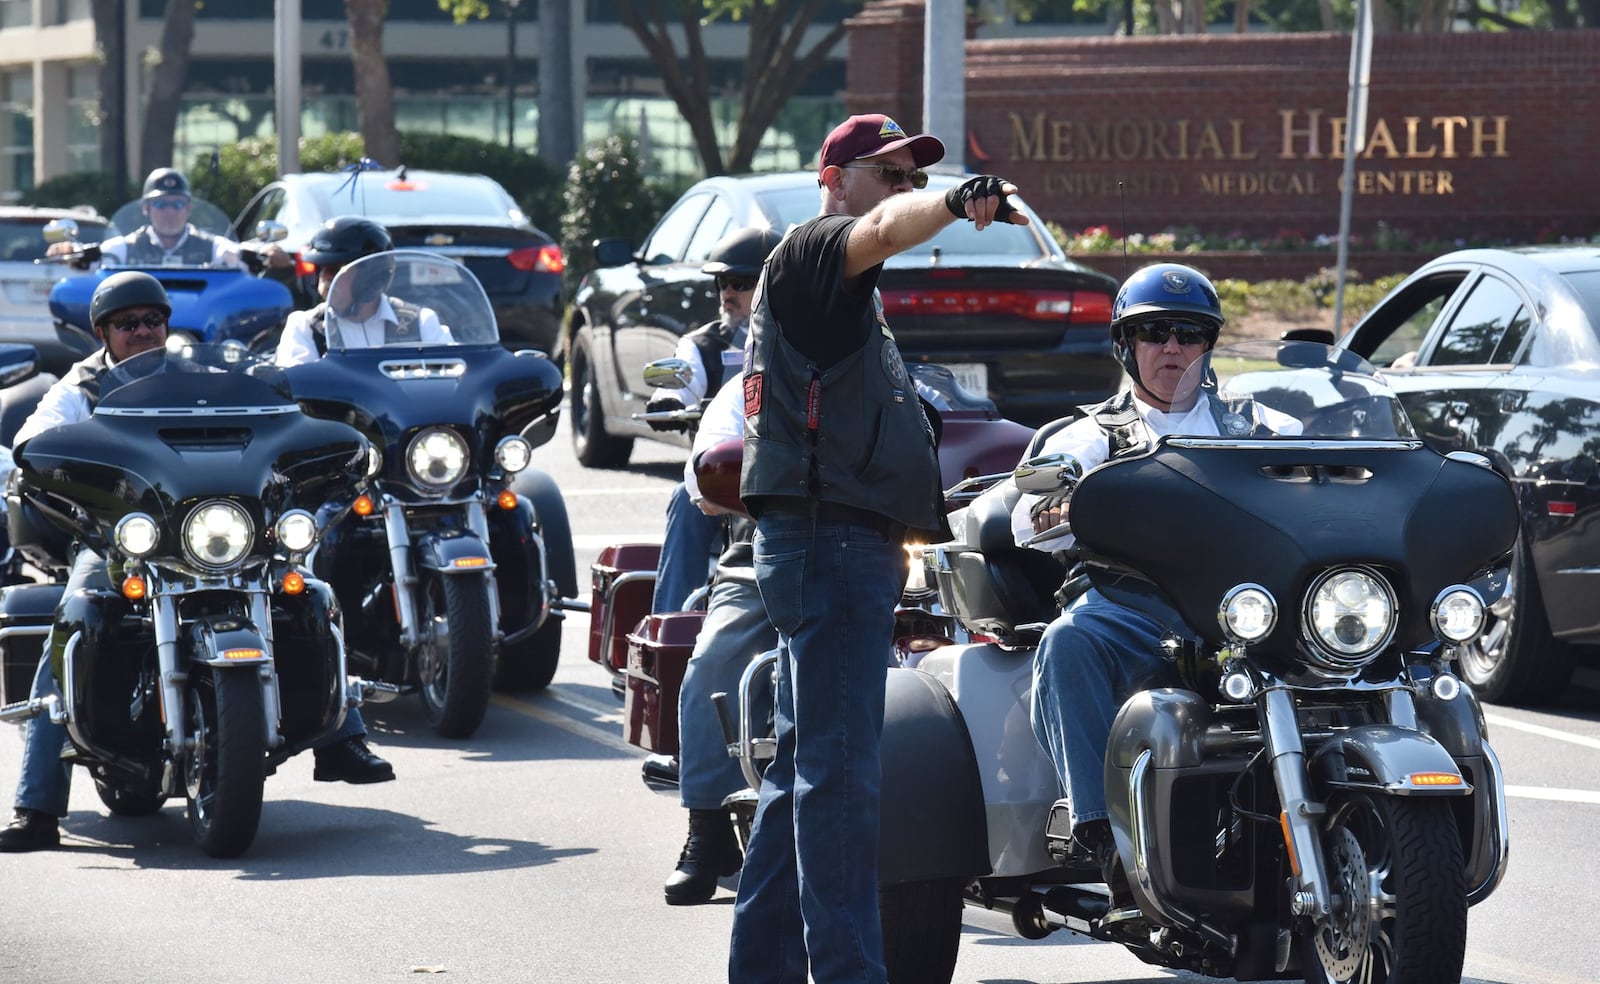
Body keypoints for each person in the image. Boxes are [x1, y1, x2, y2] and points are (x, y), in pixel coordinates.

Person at [730, 113, 1028, 983]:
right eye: (888, 171)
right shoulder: (820, 249)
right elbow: (884, 227)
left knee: (804, 775)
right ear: (835, 178)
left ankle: (767, 970)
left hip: (825, 544)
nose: (902, 185)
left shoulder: (836, 292)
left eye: (913, 173)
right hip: (832, 546)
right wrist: (952, 200)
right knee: (844, 783)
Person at [0, 272, 392, 854]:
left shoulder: (204, 374)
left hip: (215, 531)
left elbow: (277, 414)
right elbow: (34, 444)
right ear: (104, 332)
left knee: (308, 589)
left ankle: (340, 736)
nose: (143, 332)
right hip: (123, 538)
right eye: (128, 324)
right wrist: (41, 461)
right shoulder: (78, 388)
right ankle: (36, 806)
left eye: (153, 320)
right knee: (75, 614)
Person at [1012, 262, 1281, 896]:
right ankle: (1099, 831)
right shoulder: (1090, 435)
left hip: (1242, 614)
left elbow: (1326, 470)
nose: (1172, 348)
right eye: (1154, 332)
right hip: (1132, 613)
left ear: (1208, 344)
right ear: (1126, 345)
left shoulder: (1256, 426)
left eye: (1188, 333)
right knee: (1067, 642)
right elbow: (1027, 518)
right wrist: (1063, 505)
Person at [662, 367, 778, 904]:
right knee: (711, 665)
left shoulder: (889, 379)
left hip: (874, 560)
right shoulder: (747, 391)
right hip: (767, 554)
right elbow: (702, 482)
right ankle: (706, 831)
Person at [646, 226, 782, 616]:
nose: (728, 293)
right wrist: (669, 397)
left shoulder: (801, 337)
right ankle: (671, 622)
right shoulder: (702, 344)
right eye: (723, 282)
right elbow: (683, 377)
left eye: (741, 282)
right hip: (723, 476)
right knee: (685, 501)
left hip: (792, 467)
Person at [274, 216, 448, 366]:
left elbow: (453, 378)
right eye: (321, 268)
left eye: (335, 269)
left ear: (371, 276)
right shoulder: (305, 327)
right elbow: (296, 389)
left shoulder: (421, 323)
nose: (325, 278)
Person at [48, 167, 287, 272]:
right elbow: (96, 256)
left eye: (177, 204)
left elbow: (235, 253)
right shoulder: (128, 246)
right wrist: (70, 251)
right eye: (161, 204)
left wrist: (265, 253)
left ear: (188, 208)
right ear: (146, 208)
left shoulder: (210, 246)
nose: (169, 212)